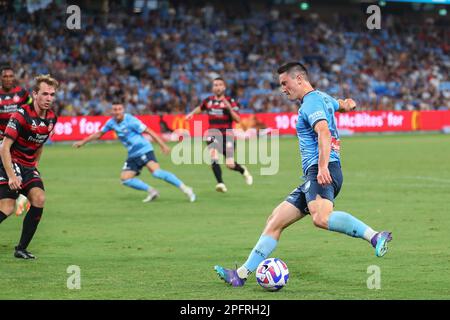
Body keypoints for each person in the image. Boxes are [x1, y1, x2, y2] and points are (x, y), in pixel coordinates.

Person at [214, 62, 392, 286]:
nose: (283, 89)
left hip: (322, 170)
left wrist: (324, 166)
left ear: (299, 78)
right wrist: (348, 104)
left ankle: (375, 236)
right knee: (275, 221)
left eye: (284, 83)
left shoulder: (311, 103)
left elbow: (324, 132)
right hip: (315, 173)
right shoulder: (322, 98)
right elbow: (341, 105)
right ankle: (240, 275)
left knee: (321, 218)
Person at [73, 102, 196, 202]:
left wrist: (162, 145)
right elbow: (99, 134)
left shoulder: (131, 120)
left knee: (157, 173)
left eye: (119, 109)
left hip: (144, 150)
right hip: (132, 154)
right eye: (114, 109)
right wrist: (83, 142)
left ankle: (186, 189)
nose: (117, 112)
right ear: (112, 111)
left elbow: (149, 131)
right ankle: (152, 191)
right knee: (125, 179)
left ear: (123, 110)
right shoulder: (111, 122)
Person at [0, 74, 58, 259]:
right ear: (35, 94)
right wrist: (11, 176)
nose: (49, 98)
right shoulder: (21, 115)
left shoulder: (51, 119)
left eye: (52, 94)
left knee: (39, 199)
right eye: (45, 94)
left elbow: (39, 144)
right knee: (7, 208)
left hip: (27, 166)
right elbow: (4, 147)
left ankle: (21, 249)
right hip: (9, 161)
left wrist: (34, 166)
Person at [186, 77, 252, 193]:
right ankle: (220, 183)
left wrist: (229, 109)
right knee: (214, 156)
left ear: (224, 87)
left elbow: (237, 119)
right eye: (215, 85)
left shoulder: (230, 101)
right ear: (212, 88)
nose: (217, 87)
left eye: (220, 85)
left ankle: (243, 170)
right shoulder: (208, 101)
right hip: (213, 134)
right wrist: (191, 114)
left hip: (227, 135)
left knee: (230, 164)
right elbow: (200, 108)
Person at [0, 65, 33, 216]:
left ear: (14, 78)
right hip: (2, 139)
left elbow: (31, 109)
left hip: (18, 141)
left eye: (10, 76)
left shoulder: (22, 93)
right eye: (5, 76)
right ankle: (20, 196)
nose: (7, 79)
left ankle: (19, 196)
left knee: (17, 167)